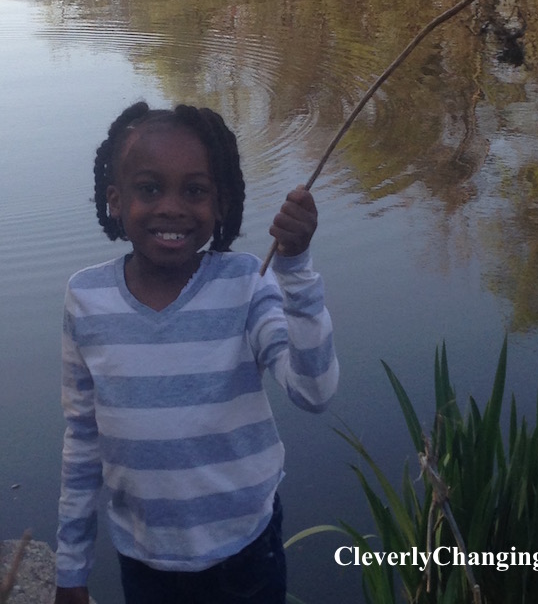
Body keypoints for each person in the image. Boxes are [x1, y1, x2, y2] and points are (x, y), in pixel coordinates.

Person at [54, 101, 338, 604]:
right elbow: (82, 439)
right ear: (115, 200)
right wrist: (71, 567)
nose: (172, 207)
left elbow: (314, 391)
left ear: (220, 203)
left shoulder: (246, 284)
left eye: (195, 190)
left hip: (246, 552)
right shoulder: (87, 299)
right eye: (149, 189)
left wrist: (295, 269)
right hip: (144, 559)